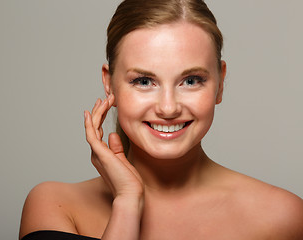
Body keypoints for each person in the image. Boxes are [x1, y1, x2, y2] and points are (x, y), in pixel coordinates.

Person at [19, 0, 303, 239]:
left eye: (191, 80)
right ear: (109, 83)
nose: (168, 108)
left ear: (220, 83)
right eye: (144, 81)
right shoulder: (55, 206)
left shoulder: (283, 217)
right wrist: (127, 203)